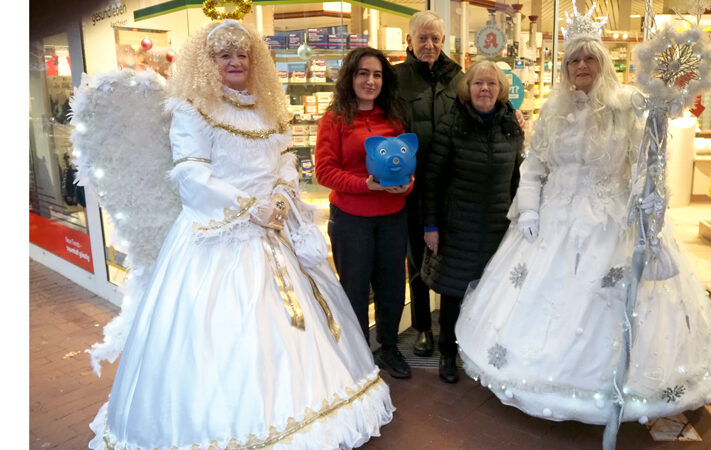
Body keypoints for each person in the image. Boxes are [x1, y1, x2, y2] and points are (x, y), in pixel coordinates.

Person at [86, 19, 394, 449]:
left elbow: (287, 160)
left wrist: (284, 198)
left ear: (254, 61)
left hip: (274, 233)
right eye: (224, 54)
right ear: (207, 61)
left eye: (242, 54)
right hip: (218, 239)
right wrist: (249, 209)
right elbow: (191, 174)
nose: (235, 61)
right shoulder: (192, 108)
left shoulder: (268, 109)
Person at [453, 22, 711, 427]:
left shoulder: (629, 106)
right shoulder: (552, 110)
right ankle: (549, 378)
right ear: (564, 68)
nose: (581, 65)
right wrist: (528, 209)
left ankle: (612, 385)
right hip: (554, 222)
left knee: (612, 304)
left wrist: (647, 213)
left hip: (612, 223)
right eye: (573, 60)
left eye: (589, 58)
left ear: (602, 64)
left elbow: (646, 167)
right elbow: (535, 165)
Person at [420, 60, 524, 383]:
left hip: (497, 227)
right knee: (453, 293)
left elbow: (517, 179)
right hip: (458, 226)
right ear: (467, 88)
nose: (485, 89)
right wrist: (431, 226)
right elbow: (432, 180)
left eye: (492, 84)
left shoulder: (511, 126)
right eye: (478, 83)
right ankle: (447, 353)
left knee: (489, 293)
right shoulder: (452, 125)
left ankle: (479, 352)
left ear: (501, 90)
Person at [315, 47, 414, 379]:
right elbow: (325, 172)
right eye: (363, 73)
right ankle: (358, 354)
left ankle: (388, 347)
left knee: (391, 287)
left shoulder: (394, 116)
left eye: (377, 75)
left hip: (392, 216)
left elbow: (405, 163)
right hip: (351, 218)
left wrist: (407, 184)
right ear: (350, 77)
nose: (370, 81)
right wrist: (366, 185)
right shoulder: (334, 118)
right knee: (354, 288)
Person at [394, 10, 464, 357]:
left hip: (452, 185)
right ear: (409, 40)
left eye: (435, 38)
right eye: (422, 37)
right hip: (413, 186)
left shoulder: (459, 77)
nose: (429, 44)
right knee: (417, 261)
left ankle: (454, 329)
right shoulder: (395, 78)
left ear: (443, 41)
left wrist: (512, 115)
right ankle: (423, 327)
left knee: (454, 257)